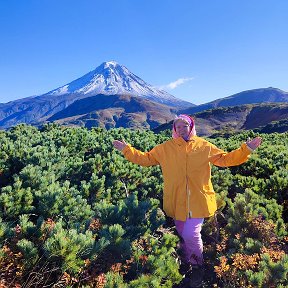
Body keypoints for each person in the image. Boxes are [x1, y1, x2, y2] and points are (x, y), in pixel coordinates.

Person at [113, 114, 262, 287]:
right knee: (183, 235)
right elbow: (146, 159)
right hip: (176, 200)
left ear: (191, 127)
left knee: (191, 233)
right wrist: (126, 149)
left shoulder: (204, 146)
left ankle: (198, 267)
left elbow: (225, 159)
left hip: (198, 199)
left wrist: (246, 150)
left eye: (185, 125)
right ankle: (186, 260)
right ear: (174, 129)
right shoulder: (165, 148)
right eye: (178, 126)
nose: (182, 129)